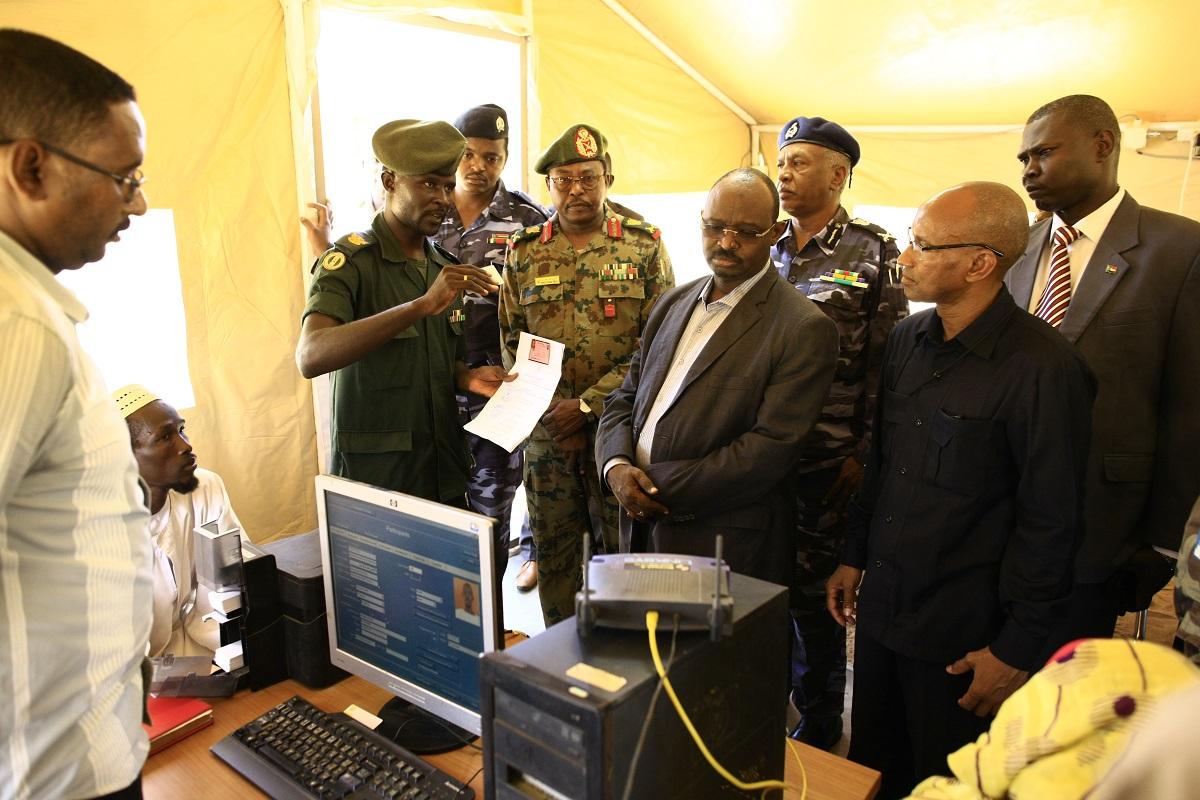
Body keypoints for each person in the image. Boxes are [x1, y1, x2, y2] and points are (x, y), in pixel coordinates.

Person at [826, 182, 1096, 799]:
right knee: (874, 768)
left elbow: (1052, 523)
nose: (905, 258)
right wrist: (853, 555)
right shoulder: (906, 340)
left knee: (951, 782)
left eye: (923, 246)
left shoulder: (1044, 370)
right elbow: (882, 462)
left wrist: (1015, 650)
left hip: (962, 637)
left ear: (979, 263)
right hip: (885, 613)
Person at [0, 29, 152, 799]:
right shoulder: (16, 322)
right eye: (123, 178)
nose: (139, 202)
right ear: (31, 167)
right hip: (56, 772)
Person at [1007, 94, 1200, 646]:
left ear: (1102, 146)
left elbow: (1189, 406)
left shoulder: (1180, 249)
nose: (1029, 171)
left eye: (1043, 153)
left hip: (1104, 521)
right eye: (1023, 159)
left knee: (1069, 673)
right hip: (1003, 510)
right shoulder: (1016, 247)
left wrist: (1163, 541)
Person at [596, 168, 837, 586]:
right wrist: (615, 465)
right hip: (640, 527)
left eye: (746, 232)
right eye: (715, 227)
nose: (726, 242)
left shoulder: (802, 327)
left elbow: (768, 451)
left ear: (775, 232)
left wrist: (647, 484)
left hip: (722, 545)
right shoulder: (673, 303)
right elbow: (625, 396)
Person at [498, 123, 674, 625]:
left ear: (607, 179)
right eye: (564, 179)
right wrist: (557, 417)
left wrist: (585, 407)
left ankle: (624, 653)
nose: (576, 190)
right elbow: (512, 343)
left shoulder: (643, 246)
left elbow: (658, 345)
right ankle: (562, 653)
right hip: (548, 436)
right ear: (549, 185)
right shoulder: (524, 251)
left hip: (618, 433)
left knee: (623, 552)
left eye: (588, 178)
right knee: (555, 553)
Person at [772, 115, 909, 750]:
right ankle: (767, 700)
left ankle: (822, 720)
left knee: (815, 599)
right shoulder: (766, 244)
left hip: (828, 460)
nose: (784, 174)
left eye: (799, 163)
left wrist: (863, 453)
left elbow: (891, 365)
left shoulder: (874, 251)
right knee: (765, 587)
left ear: (838, 174)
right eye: (782, 162)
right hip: (762, 456)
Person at [296, 119, 510, 506]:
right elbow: (310, 356)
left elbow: (439, 360)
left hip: (443, 474)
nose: (443, 199)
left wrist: (467, 377)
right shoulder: (351, 262)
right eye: (428, 184)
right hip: (378, 482)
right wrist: (420, 306)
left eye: (447, 187)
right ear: (389, 181)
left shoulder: (443, 267)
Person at [437, 104, 548, 592]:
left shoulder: (527, 218)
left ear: (505, 158)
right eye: (468, 154)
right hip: (435, 388)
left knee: (492, 513)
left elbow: (546, 307)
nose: (478, 166)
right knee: (438, 512)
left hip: (497, 389)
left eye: (492, 157)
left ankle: (489, 615)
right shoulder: (429, 206)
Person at [114, 386, 247, 658]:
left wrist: (232, 656)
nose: (186, 445)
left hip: (203, 650)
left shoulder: (205, 487)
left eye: (181, 430)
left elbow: (235, 581)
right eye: (165, 437)